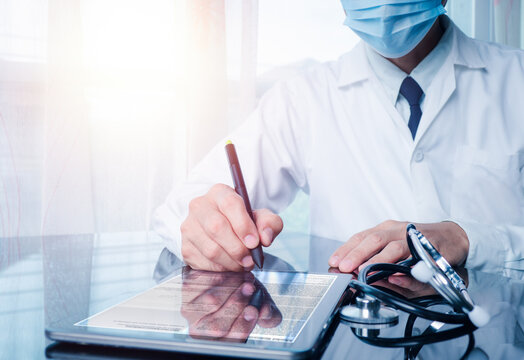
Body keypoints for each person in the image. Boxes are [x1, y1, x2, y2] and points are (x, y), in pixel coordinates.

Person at [153, 0, 524, 275]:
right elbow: (181, 209)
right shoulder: (304, 98)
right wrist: (207, 225)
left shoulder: (517, 80)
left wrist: (469, 239)